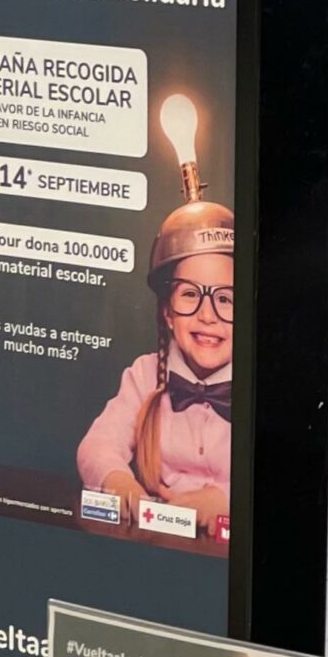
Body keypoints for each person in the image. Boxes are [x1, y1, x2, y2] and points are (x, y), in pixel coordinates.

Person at [77, 196, 233, 541]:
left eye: (225, 299)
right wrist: (117, 481)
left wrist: (223, 499)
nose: (207, 316)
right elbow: (97, 445)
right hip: (157, 541)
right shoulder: (145, 375)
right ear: (167, 311)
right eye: (190, 295)